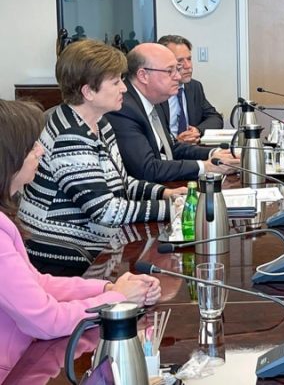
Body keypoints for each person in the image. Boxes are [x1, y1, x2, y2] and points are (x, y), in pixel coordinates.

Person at [0, 99, 161, 381]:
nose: (41, 151)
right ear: (9, 159)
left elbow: (38, 283)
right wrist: (117, 299)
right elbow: (46, 320)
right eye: (32, 147)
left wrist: (107, 288)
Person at [17, 40, 186, 276]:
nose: (124, 88)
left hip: (96, 248)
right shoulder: (70, 136)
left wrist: (165, 193)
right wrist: (172, 208)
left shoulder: (100, 123)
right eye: (116, 82)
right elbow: (104, 210)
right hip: (65, 257)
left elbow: (122, 182)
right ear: (88, 92)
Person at [105, 43, 239, 183]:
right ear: (143, 75)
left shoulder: (154, 99)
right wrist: (205, 167)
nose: (178, 76)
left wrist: (214, 153)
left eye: (177, 69)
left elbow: (170, 148)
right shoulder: (123, 109)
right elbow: (147, 169)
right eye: (170, 71)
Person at [157, 34, 223, 144]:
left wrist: (197, 131)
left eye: (189, 59)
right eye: (180, 61)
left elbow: (215, 118)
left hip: (192, 149)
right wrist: (176, 142)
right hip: (166, 151)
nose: (188, 66)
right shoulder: (155, 91)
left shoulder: (194, 87)